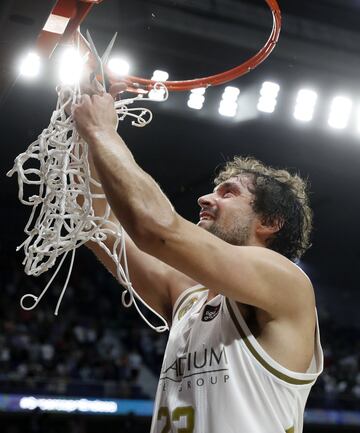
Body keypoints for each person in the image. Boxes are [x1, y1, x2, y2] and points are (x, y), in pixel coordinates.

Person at [72, 91, 323, 433]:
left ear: (269, 222)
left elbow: (155, 229)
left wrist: (103, 131)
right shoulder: (187, 295)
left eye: (228, 192)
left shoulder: (285, 282)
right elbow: (96, 223)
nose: (205, 197)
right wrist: (84, 103)